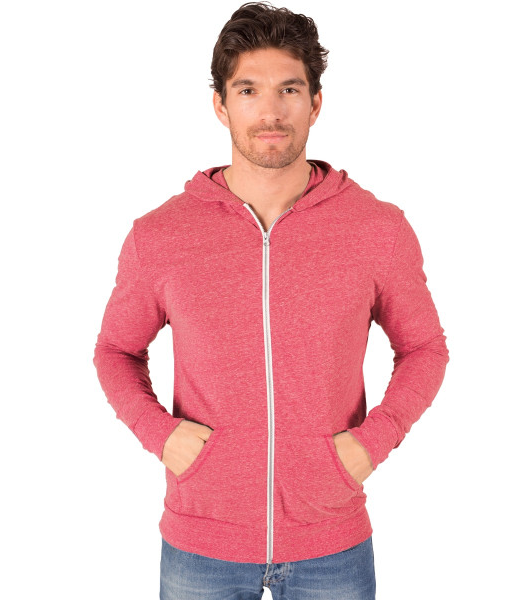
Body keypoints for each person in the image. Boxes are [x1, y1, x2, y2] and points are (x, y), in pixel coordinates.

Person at [93, 2, 450, 598]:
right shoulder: (160, 236)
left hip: (331, 544)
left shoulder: (377, 229)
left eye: (289, 89)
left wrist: (373, 441)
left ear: (315, 102)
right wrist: (159, 433)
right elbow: (114, 351)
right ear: (220, 104)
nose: (270, 111)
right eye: (248, 90)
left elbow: (425, 349)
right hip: (201, 545)